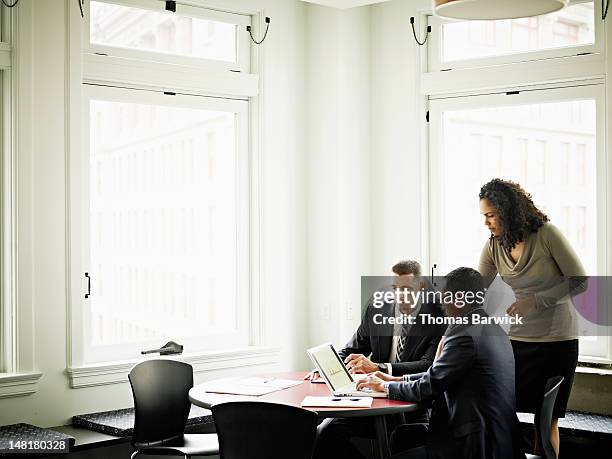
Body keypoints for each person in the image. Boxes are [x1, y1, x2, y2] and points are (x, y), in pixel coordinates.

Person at [357, 267, 521, 459]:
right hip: (495, 436)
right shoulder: (491, 327)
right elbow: (437, 375)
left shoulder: (463, 334)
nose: (442, 304)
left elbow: (431, 385)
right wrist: (395, 378)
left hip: (474, 444)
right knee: (401, 436)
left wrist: (385, 386)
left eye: (445, 297)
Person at [478, 178, 587, 458]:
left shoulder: (547, 234)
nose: (487, 222)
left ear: (508, 210)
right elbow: (476, 288)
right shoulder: (493, 245)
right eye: (484, 216)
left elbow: (579, 281)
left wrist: (535, 301)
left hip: (557, 341)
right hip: (517, 342)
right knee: (500, 410)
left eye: (491, 215)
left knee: (544, 420)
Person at [312, 260, 446, 459]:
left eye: (407, 290)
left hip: (411, 404)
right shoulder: (377, 309)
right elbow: (352, 348)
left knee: (399, 440)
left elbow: (428, 365)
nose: (401, 296)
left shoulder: (437, 315)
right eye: (395, 289)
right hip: (372, 400)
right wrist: (329, 368)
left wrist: (379, 367)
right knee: (327, 432)